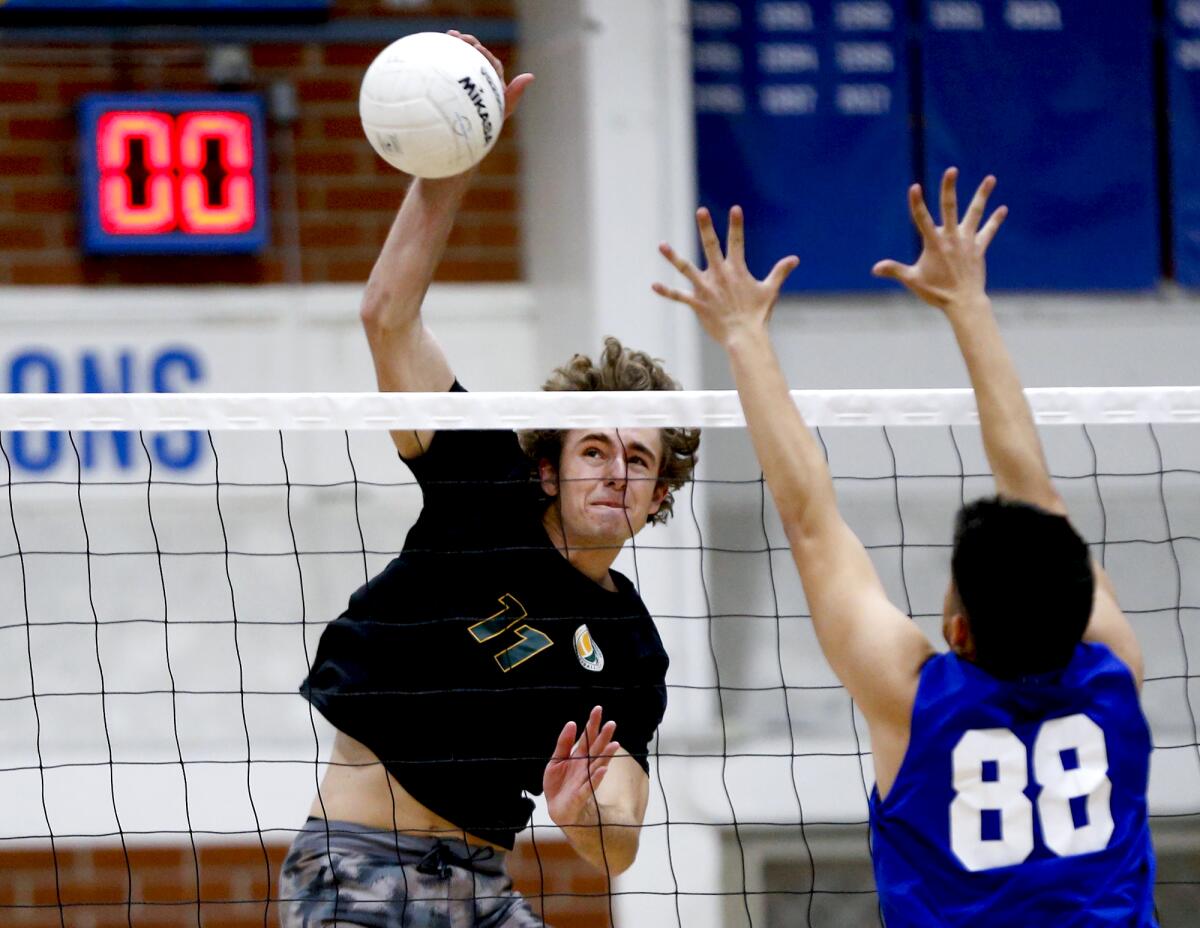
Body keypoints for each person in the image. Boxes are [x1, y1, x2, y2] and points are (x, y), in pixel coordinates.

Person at [652, 169, 1155, 926]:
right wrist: (969, 303)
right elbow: (1038, 496)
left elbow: (812, 521)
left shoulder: (916, 703)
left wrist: (743, 333)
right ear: (1084, 604)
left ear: (958, 631)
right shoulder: (1117, 670)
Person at [279, 32, 700, 928]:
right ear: (548, 465)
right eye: (595, 450)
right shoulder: (484, 487)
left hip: (483, 885)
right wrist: (455, 163)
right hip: (361, 873)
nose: (615, 471)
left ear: (661, 495)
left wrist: (588, 814)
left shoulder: (628, 648)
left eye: (639, 460)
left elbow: (619, 841)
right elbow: (387, 316)